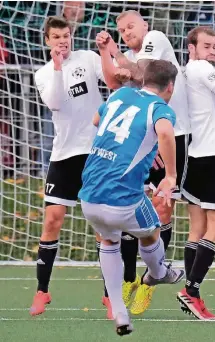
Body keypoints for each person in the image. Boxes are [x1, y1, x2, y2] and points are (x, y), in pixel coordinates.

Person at [78, 60, 185, 336]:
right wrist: (170, 176)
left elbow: (96, 121)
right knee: (152, 233)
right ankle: (159, 273)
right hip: (123, 200)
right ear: (169, 86)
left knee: (110, 240)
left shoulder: (120, 94)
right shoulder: (160, 108)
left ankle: (120, 314)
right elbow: (164, 132)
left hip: (89, 196)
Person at [95, 10, 190, 315]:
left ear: (145, 25)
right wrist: (106, 53)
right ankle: (127, 279)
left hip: (173, 133)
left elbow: (143, 73)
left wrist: (116, 55)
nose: (127, 32)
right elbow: (114, 82)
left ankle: (150, 280)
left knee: (161, 206)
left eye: (130, 26)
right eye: (121, 30)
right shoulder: (131, 57)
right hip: (140, 139)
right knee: (128, 205)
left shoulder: (155, 39)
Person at [29, 16, 113, 319]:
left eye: (66, 35)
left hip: (96, 151)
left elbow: (112, 80)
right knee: (52, 220)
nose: (63, 40)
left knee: (103, 224)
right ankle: (42, 290)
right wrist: (57, 66)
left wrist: (106, 51)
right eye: (56, 37)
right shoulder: (43, 73)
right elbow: (54, 103)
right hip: (63, 155)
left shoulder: (88, 59)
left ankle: (110, 295)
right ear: (48, 41)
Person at [176, 26, 215, 320]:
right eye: (206, 46)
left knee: (196, 229)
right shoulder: (203, 68)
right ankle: (191, 290)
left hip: (196, 153)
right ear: (192, 48)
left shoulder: (187, 72)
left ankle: (192, 294)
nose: (212, 51)